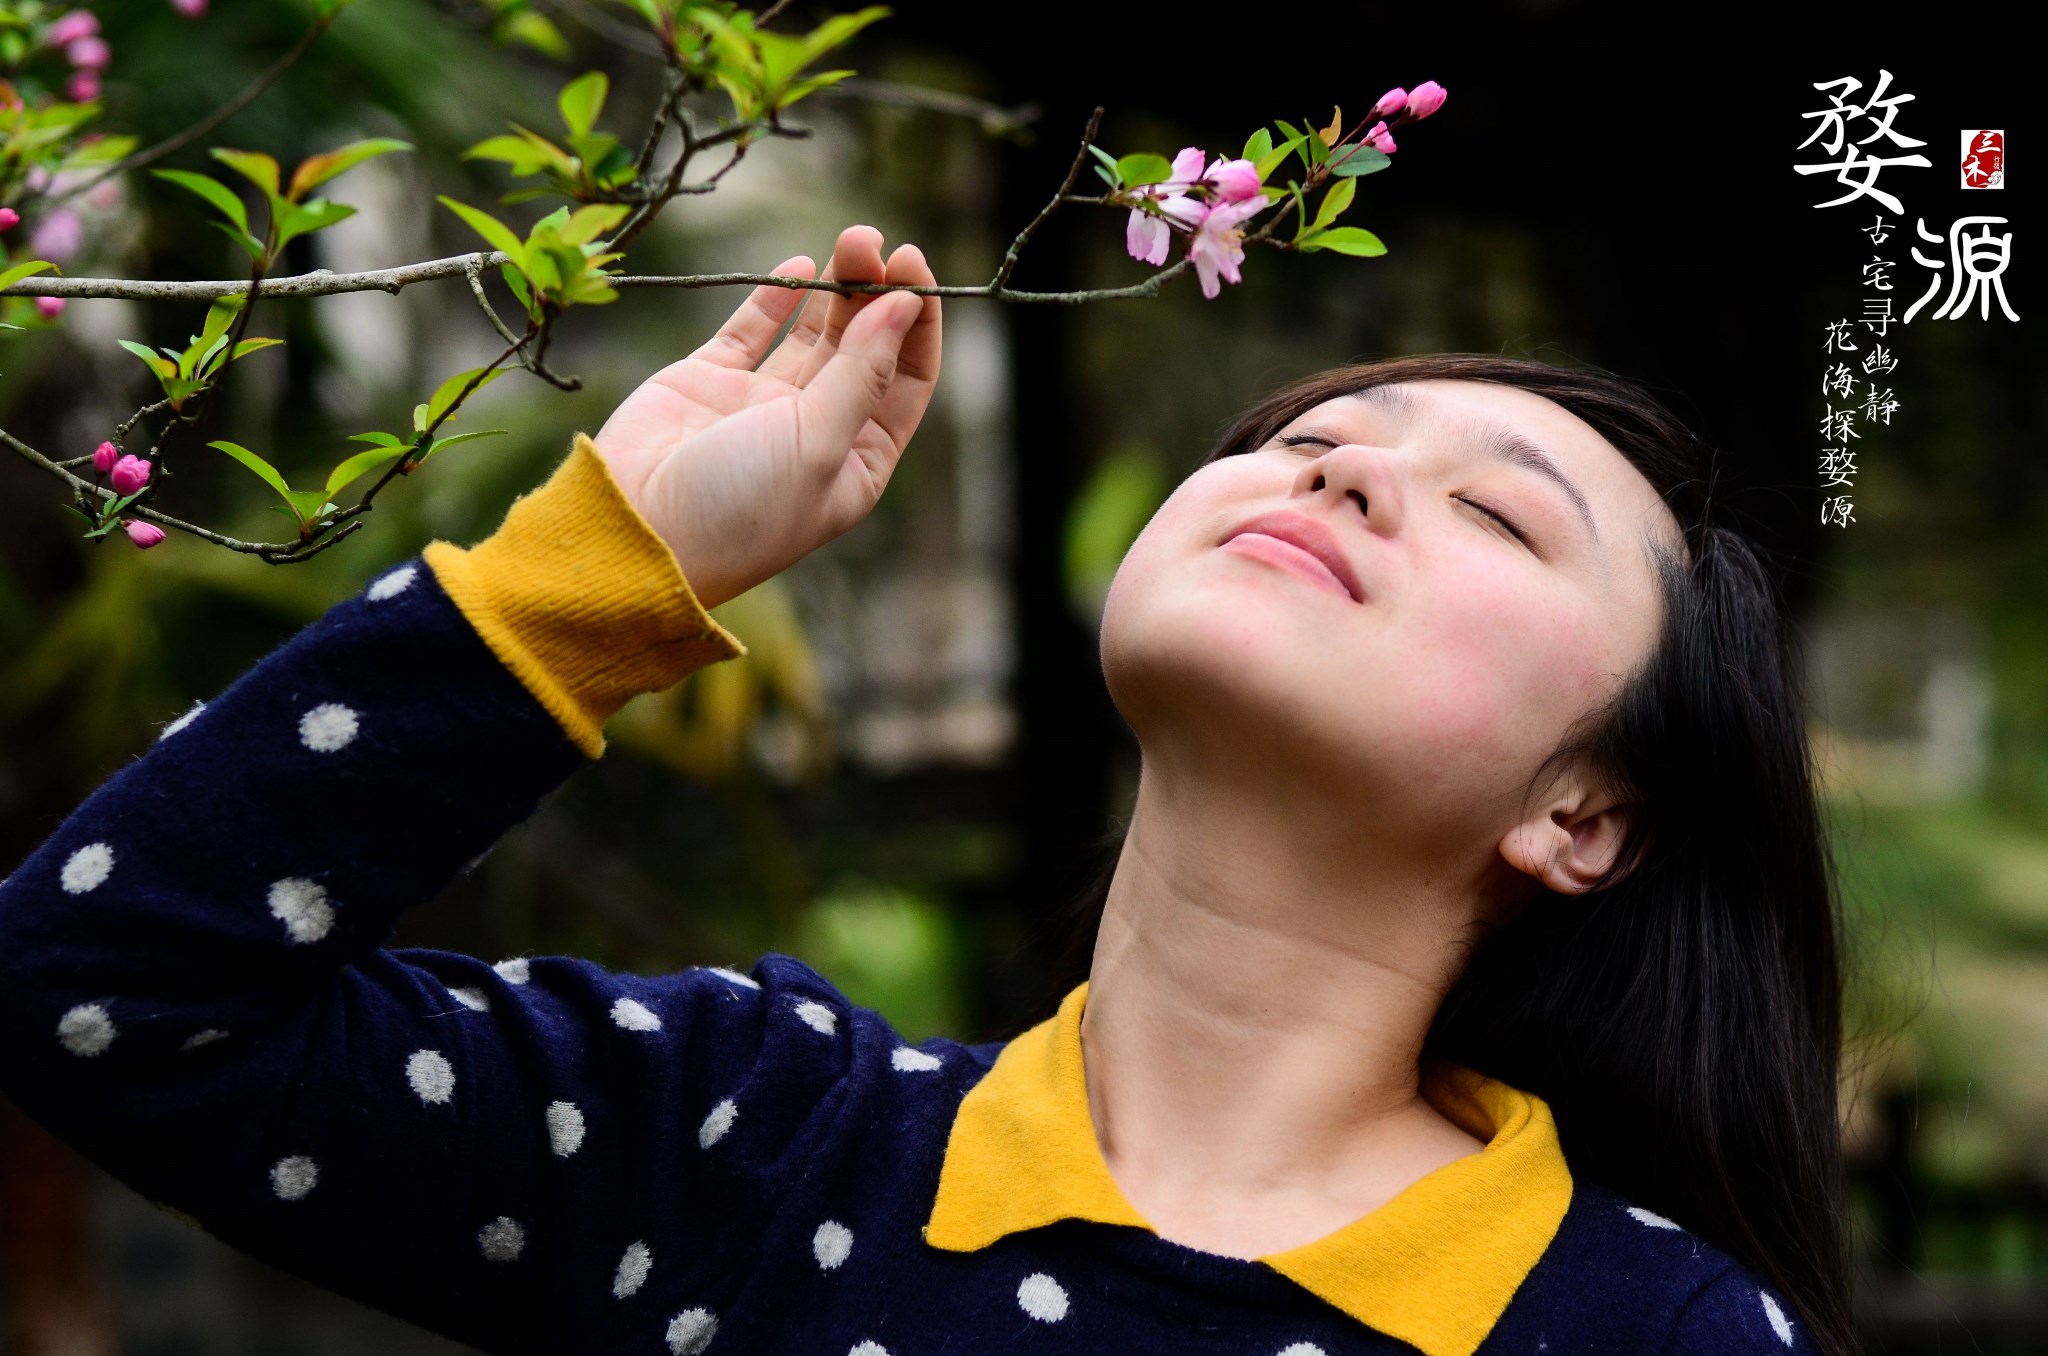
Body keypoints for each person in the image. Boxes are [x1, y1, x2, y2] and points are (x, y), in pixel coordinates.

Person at [0, 224, 1846, 1356]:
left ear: (1585, 815)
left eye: (1499, 512)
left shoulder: (1647, 1331)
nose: (1345, 476)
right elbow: (103, 994)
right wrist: (608, 567)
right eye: (1310, 442)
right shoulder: (735, 1136)